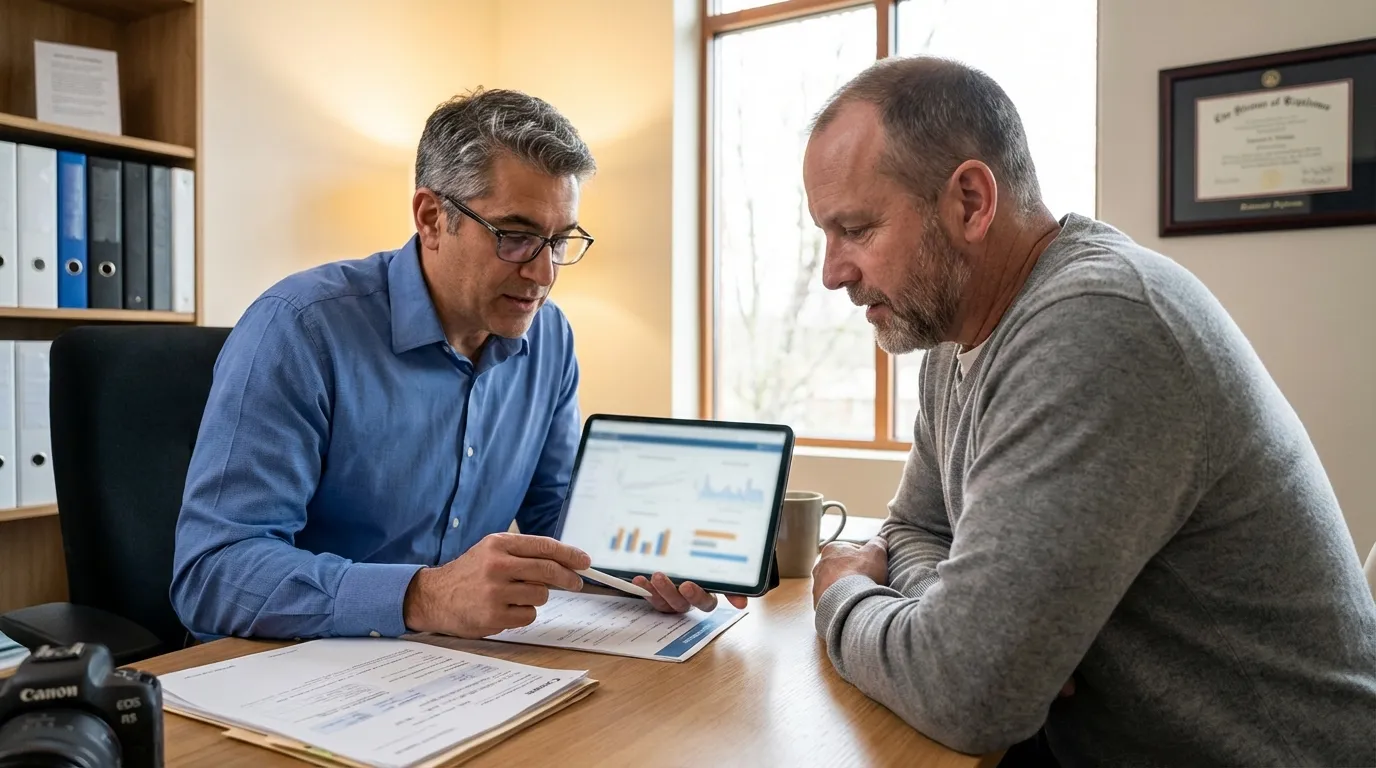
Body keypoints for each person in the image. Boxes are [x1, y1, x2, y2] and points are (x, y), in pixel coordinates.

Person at [802, 55, 1376, 766]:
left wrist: (844, 591)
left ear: (972, 202)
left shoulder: (1098, 326)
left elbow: (969, 696)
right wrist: (958, 622)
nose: (833, 272)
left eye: (855, 230)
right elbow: (917, 527)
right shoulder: (954, 340)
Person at [171, 88, 744, 642]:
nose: (544, 274)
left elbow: (559, 520)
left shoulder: (550, 339)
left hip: (456, 670)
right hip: (284, 670)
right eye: (516, 237)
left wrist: (655, 567)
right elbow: (213, 574)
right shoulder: (300, 329)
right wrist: (427, 596)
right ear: (431, 217)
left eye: (560, 241)